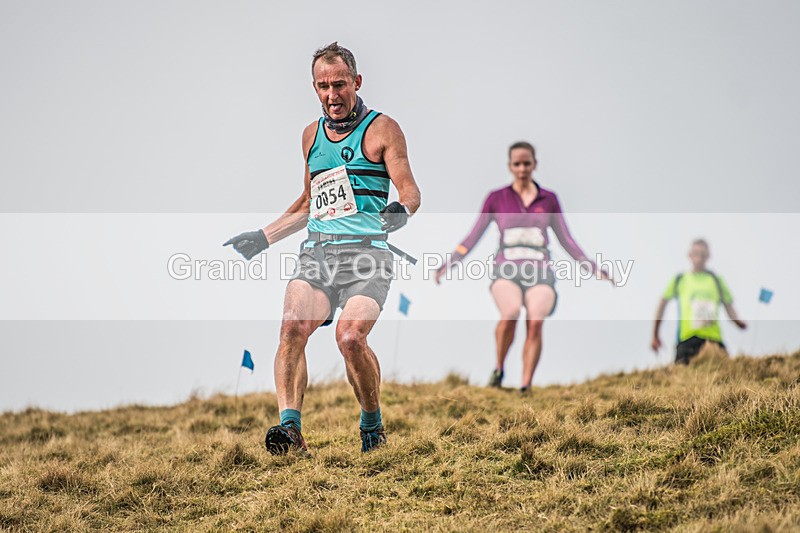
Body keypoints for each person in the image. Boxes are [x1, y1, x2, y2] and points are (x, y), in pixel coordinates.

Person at [224, 42, 421, 455]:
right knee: (292, 326)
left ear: (357, 82)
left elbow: (410, 189)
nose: (332, 95)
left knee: (350, 338)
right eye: (323, 86)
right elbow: (310, 202)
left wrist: (401, 210)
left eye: (339, 84)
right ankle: (290, 432)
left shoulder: (383, 128)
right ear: (315, 88)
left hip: (368, 258)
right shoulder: (311, 136)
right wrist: (263, 237)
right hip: (318, 255)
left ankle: (372, 424)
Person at [435, 142, 611, 392]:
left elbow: (567, 239)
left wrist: (592, 267)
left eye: (526, 163)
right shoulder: (496, 198)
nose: (522, 168)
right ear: (509, 166)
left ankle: (526, 384)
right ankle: (499, 367)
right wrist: (449, 263)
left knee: (536, 320)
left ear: (535, 164)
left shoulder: (549, 200)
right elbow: (473, 236)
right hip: (506, 271)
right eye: (517, 164)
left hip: (541, 272)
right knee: (511, 313)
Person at [651, 239, 746, 364]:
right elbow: (662, 304)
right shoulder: (680, 280)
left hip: (713, 339)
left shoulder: (716, 280)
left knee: (729, 374)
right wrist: (655, 334)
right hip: (687, 339)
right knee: (680, 376)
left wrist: (738, 322)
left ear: (708, 256)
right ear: (689, 255)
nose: (699, 258)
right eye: (696, 253)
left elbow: (729, 306)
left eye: (703, 254)